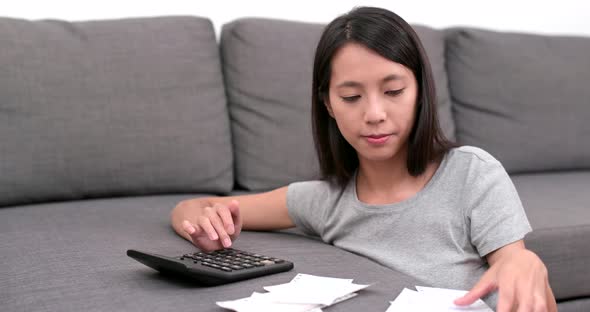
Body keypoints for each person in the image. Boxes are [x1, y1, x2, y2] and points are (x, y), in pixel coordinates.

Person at [170, 6, 556, 311]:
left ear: (420, 91)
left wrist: (523, 263)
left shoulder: (472, 173)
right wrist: (203, 223)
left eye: (393, 91)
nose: (373, 113)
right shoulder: (324, 201)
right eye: (351, 97)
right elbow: (194, 207)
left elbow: (514, 263)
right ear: (328, 105)